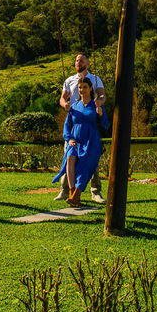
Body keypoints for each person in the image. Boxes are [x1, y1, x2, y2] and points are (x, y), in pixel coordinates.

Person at [55, 52, 105, 202]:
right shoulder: (69, 80)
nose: (78, 62)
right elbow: (63, 98)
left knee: (90, 158)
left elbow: (102, 95)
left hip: (89, 120)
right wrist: (65, 104)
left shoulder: (95, 79)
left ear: (87, 63)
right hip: (74, 121)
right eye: (77, 60)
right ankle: (65, 190)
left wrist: (99, 103)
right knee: (68, 156)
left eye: (81, 60)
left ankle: (95, 191)